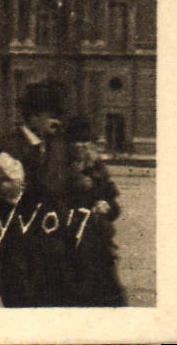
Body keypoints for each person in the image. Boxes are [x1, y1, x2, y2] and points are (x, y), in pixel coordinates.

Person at [0, 80, 72, 306]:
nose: (56, 121)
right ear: (33, 117)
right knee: (20, 301)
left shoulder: (59, 146)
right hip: (14, 238)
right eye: (50, 115)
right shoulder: (4, 144)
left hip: (52, 238)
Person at [59, 116, 127, 306]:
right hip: (67, 244)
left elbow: (114, 206)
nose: (81, 146)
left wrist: (106, 206)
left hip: (98, 244)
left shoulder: (97, 168)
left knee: (107, 297)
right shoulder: (57, 172)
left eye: (85, 141)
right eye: (76, 142)